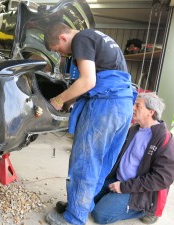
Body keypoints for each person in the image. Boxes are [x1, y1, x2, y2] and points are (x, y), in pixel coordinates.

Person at [44, 22, 137, 225]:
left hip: (105, 105)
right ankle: (81, 206)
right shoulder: (98, 37)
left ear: (62, 38)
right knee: (101, 162)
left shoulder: (81, 38)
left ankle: (74, 218)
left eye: (59, 50)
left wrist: (58, 100)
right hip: (122, 105)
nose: (63, 55)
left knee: (85, 162)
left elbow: (88, 81)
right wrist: (68, 99)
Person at [91, 92, 174, 224]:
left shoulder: (164, 139)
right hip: (117, 179)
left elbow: (162, 178)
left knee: (100, 214)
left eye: (138, 105)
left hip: (137, 189)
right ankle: (113, 198)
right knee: (86, 196)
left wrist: (124, 187)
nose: (133, 108)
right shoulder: (134, 129)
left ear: (150, 112)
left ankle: (145, 210)